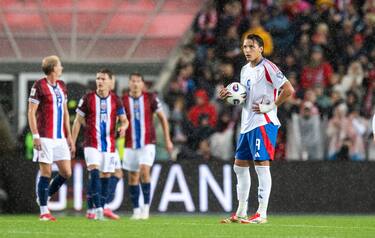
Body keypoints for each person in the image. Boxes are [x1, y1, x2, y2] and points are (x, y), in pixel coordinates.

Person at [219, 34, 294, 224]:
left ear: (261, 48)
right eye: (244, 47)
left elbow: (289, 89)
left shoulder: (268, 67)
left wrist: (270, 106)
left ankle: (261, 213)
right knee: (239, 167)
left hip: (263, 122)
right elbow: (244, 95)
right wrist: (228, 95)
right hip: (246, 124)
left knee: (261, 166)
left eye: (251, 47)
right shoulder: (245, 70)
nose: (247, 50)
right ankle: (241, 212)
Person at [72, 68, 128, 220]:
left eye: (103, 79)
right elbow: (77, 120)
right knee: (95, 173)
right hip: (91, 143)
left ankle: (98, 208)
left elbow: (124, 120)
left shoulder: (116, 100)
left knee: (106, 176)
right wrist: (72, 141)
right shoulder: (88, 98)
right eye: (98, 78)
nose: (100, 82)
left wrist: (123, 127)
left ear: (110, 82)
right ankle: (97, 210)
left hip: (109, 145)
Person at [28, 55, 75, 221]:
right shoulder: (39, 85)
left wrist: (69, 136)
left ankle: (43, 196)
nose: (61, 68)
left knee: (66, 172)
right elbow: (31, 112)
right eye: (60, 65)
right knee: (46, 172)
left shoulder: (62, 86)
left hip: (60, 137)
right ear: (54, 68)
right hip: (45, 136)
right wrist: (35, 136)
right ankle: (44, 211)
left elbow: (65, 112)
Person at [122, 72, 173, 220]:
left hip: (147, 143)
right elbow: (118, 119)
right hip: (129, 144)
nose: (135, 84)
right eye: (132, 81)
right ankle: (136, 210)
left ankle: (146, 208)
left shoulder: (150, 98)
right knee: (132, 177)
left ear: (143, 84)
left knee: (144, 172)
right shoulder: (123, 100)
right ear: (129, 83)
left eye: (138, 81)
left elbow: (163, 119)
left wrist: (168, 139)